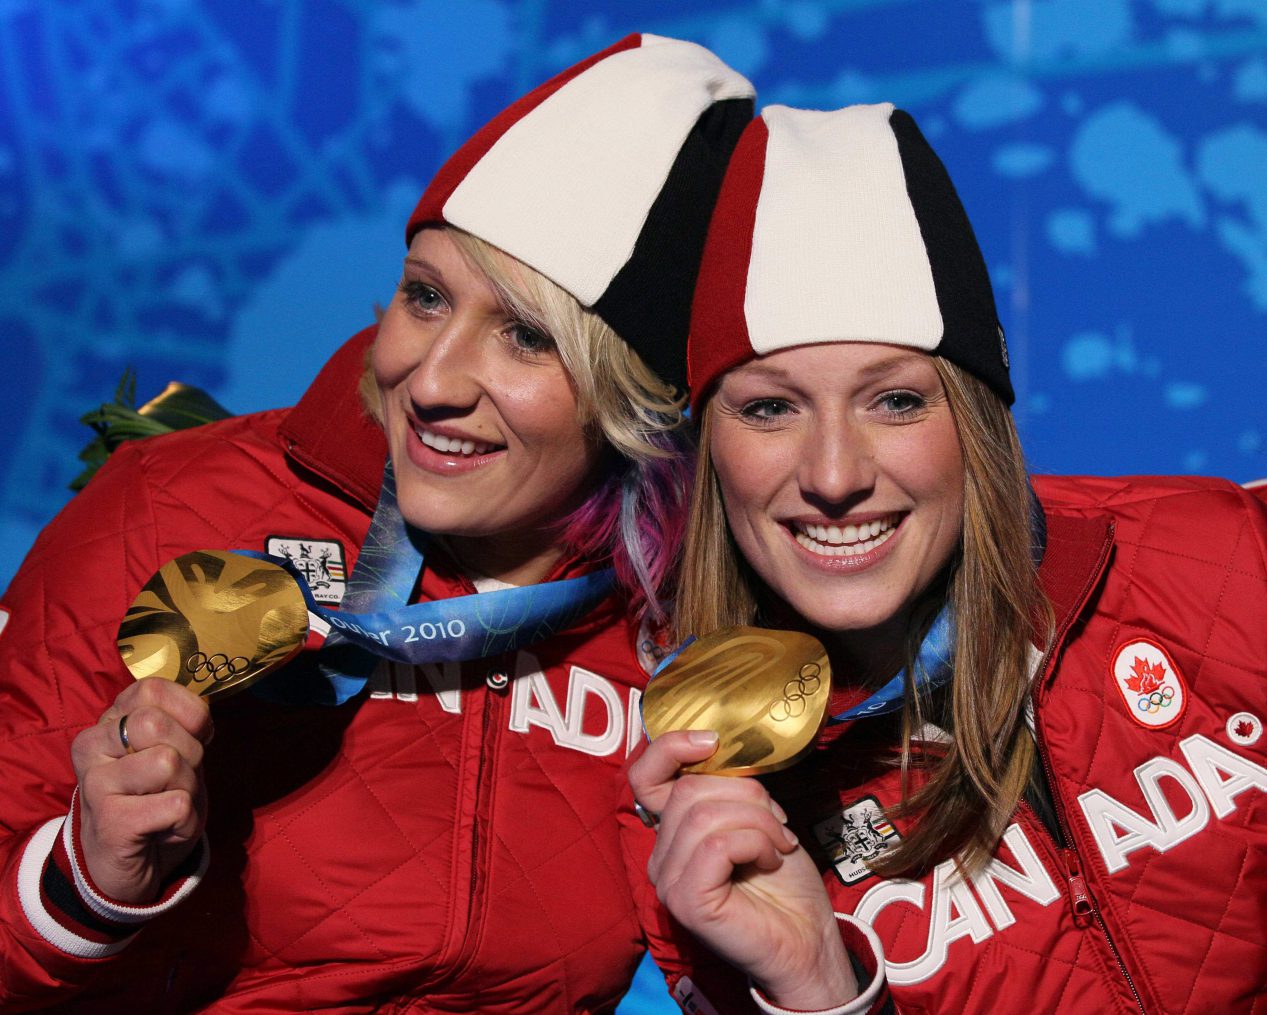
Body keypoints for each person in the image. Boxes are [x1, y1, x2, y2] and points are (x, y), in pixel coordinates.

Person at [0, 35, 754, 1012]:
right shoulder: (174, 507)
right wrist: (88, 880)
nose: (431, 380)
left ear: (638, 402)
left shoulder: (690, 614)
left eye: (526, 336)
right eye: (425, 296)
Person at [625, 104, 1267, 1014]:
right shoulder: (696, 790)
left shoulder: (1216, 560)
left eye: (895, 401)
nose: (834, 474)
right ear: (707, 450)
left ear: (978, 420)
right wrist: (818, 989)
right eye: (770, 409)